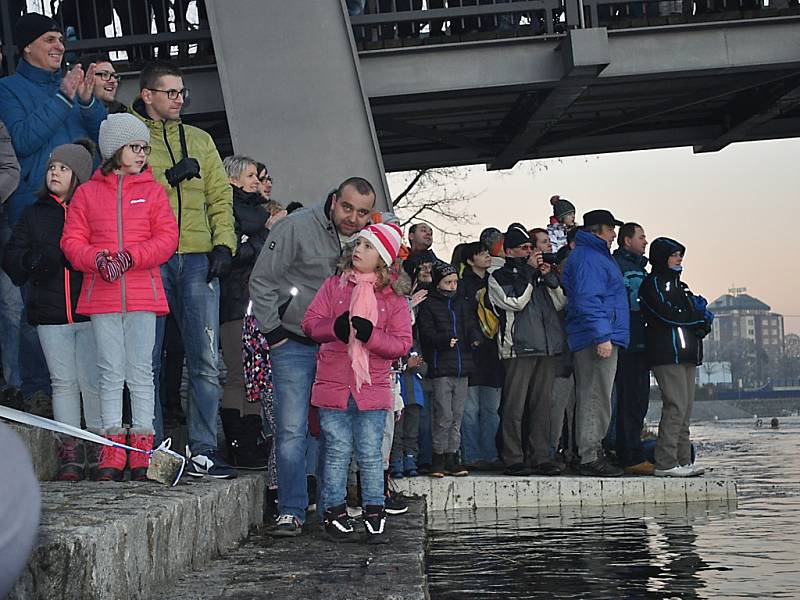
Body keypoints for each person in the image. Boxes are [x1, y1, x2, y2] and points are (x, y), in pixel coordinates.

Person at [249, 177, 375, 536]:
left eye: (362, 212)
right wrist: (273, 334)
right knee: (291, 429)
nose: (353, 217)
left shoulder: (368, 242)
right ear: (334, 200)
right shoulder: (296, 227)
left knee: (334, 430)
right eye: (347, 207)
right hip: (293, 342)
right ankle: (291, 510)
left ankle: (330, 505)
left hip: (339, 349)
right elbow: (262, 280)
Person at [130, 61, 237, 478]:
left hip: (197, 256)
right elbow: (123, 187)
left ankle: (204, 449)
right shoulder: (134, 140)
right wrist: (167, 177)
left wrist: (225, 243)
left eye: (181, 92)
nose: (179, 99)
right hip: (150, 259)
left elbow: (219, 197)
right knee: (148, 360)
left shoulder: (200, 139)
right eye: (170, 92)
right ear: (148, 95)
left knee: (205, 359)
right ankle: (153, 448)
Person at [61, 113, 179, 481]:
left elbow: (167, 238)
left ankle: (142, 449)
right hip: (103, 294)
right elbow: (71, 241)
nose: (142, 154)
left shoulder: (154, 191)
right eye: (134, 147)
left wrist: (132, 257)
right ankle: (112, 449)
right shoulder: (87, 193)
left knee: (141, 372)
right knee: (110, 371)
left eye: (144, 147)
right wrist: (96, 260)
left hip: (143, 293)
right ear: (115, 150)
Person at [0, 13, 106, 408]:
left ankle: (84, 392)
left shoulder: (71, 88)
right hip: (31, 210)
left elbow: (103, 142)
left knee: (86, 302)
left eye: (61, 39)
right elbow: (23, 142)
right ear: (27, 46)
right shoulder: (7, 90)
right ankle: (36, 390)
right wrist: (64, 98)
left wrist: (88, 103)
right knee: (30, 306)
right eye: (49, 39)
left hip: (82, 212)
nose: (59, 46)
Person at [302, 222, 411, 543]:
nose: (357, 251)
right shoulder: (334, 287)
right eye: (357, 245)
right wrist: (333, 329)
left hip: (372, 389)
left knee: (371, 454)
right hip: (334, 384)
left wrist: (370, 336)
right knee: (336, 451)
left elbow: (402, 343)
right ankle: (333, 512)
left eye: (366, 246)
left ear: (382, 258)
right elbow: (310, 323)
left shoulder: (393, 299)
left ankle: (374, 511)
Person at [1, 140, 102, 481]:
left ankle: (99, 446)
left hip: (89, 310)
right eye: (51, 168)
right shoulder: (33, 214)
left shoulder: (91, 210)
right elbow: (12, 256)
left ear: (79, 175)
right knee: (63, 383)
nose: (54, 172)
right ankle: (70, 450)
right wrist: (30, 262)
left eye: (62, 167)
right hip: (49, 312)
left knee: (91, 382)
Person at [488, 224, 566, 476]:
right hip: (518, 349)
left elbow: (561, 302)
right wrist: (530, 273)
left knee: (543, 405)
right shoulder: (499, 276)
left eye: (531, 247)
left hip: (545, 348)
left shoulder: (537, 275)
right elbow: (515, 301)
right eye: (523, 248)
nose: (529, 252)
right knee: (514, 406)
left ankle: (540, 456)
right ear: (509, 251)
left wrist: (549, 278)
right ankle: (513, 457)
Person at [561, 210, 629, 477]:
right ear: (598, 230)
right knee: (594, 395)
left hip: (600, 334)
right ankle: (589, 456)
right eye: (611, 229)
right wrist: (602, 335)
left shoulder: (595, 256)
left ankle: (591, 450)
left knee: (597, 395)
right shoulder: (590, 258)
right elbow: (588, 299)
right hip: (595, 337)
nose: (614, 234)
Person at [639, 237, 711, 478]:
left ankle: (683, 460)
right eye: (674, 254)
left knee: (686, 409)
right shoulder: (653, 284)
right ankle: (665, 462)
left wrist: (701, 321)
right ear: (662, 257)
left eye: (681, 254)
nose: (679, 258)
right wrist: (696, 318)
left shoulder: (682, 286)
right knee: (675, 406)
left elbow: (698, 313)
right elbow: (667, 315)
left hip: (688, 354)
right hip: (667, 354)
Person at [219, 155, 273, 470]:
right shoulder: (227, 209)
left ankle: (252, 440)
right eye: (251, 175)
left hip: (257, 305)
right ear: (232, 179)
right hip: (235, 302)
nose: (258, 181)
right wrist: (263, 235)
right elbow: (231, 254)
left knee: (254, 378)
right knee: (239, 375)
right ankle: (237, 442)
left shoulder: (259, 212)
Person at [417, 261, 482, 478]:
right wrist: (444, 340)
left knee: (457, 415)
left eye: (455, 281)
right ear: (438, 283)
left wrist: (474, 338)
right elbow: (425, 334)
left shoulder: (461, 304)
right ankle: (438, 457)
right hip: (441, 366)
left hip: (461, 366)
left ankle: (453, 455)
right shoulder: (429, 305)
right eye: (448, 282)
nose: (453, 286)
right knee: (443, 414)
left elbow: (471, 324)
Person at [458, 241, 503, 469]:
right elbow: (464, 316)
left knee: (491, 409)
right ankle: (472, 455)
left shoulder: (494, 281)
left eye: (487, 252)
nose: (487, 256)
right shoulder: (463, 285)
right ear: (469, 260)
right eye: (481, 253)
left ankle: (491, 454)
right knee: (470, 409)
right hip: (471, 351)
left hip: (494, 352)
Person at [612, 222, 653, 476]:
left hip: (642, 343)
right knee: (628, 401)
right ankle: (629, 454)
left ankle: (632, 450)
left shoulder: (642, 269)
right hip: (626, 342)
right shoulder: (619, 266)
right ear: (627, 240)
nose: (645, 241)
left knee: (640, 401)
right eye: (641, 237)